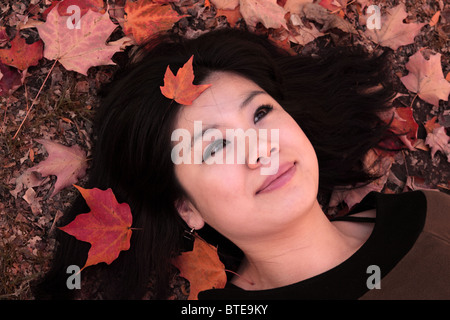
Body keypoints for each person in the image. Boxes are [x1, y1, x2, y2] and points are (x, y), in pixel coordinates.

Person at [33, 28, 450, 300]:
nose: (259, 150)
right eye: (214, 149)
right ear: (187, 208)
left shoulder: (430, 213)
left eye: (260, 115)